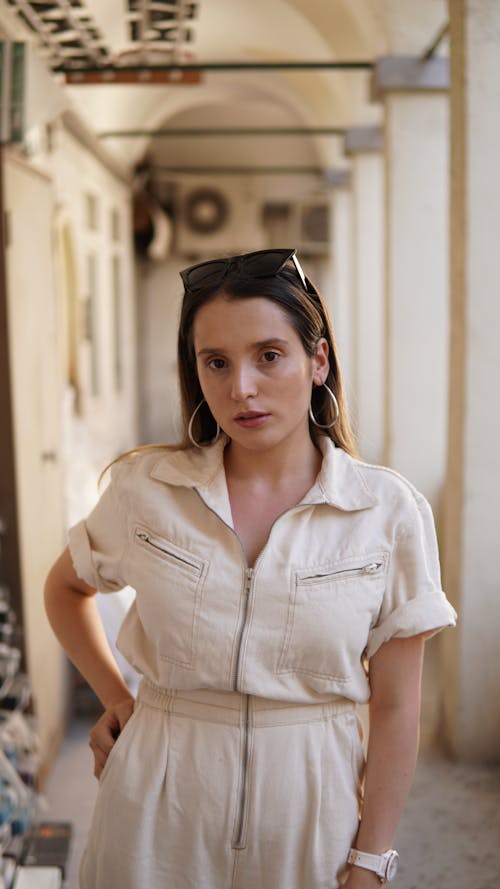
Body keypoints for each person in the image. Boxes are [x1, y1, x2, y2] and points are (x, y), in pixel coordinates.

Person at [44, 248, 457, 889]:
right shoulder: (145, 488)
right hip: (156, 804)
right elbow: (65, 586)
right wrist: (116, 697)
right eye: (216, 362)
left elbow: (399, 705)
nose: (241, 388)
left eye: (269, 355)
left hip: (313, 811)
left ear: (317, 361)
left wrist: (372, 858)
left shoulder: (385, 510)